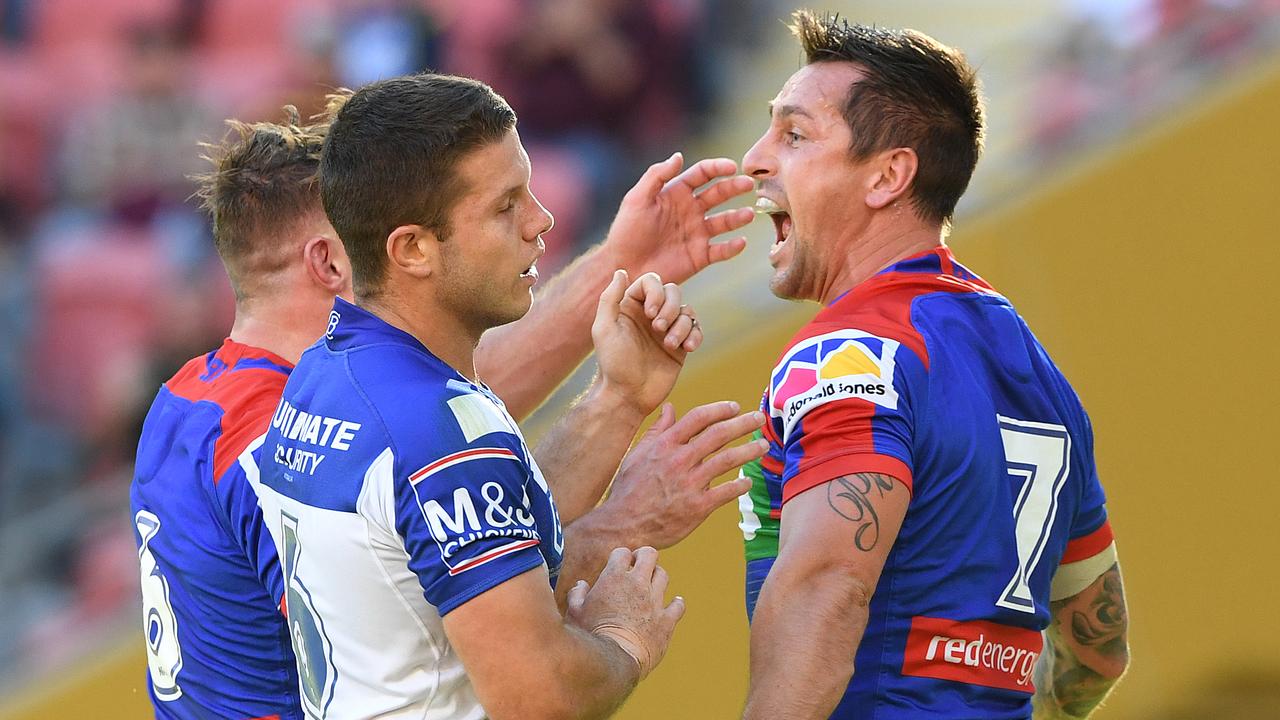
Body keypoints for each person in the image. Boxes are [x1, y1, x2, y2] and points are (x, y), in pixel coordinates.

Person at [130, 97, 763, 717]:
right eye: (363, 224)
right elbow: (436, 610)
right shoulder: (277, 428)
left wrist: (616, 354)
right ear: (334, 257)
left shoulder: (202, 398)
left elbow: (432, 464)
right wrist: (621, 533)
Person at [735, 12, 1129, 720]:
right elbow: (1100, 653)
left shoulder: (845, 355)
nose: (754, 159)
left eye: (794, 135)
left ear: (888, 175)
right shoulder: (1039, 372)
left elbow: (827, 589)